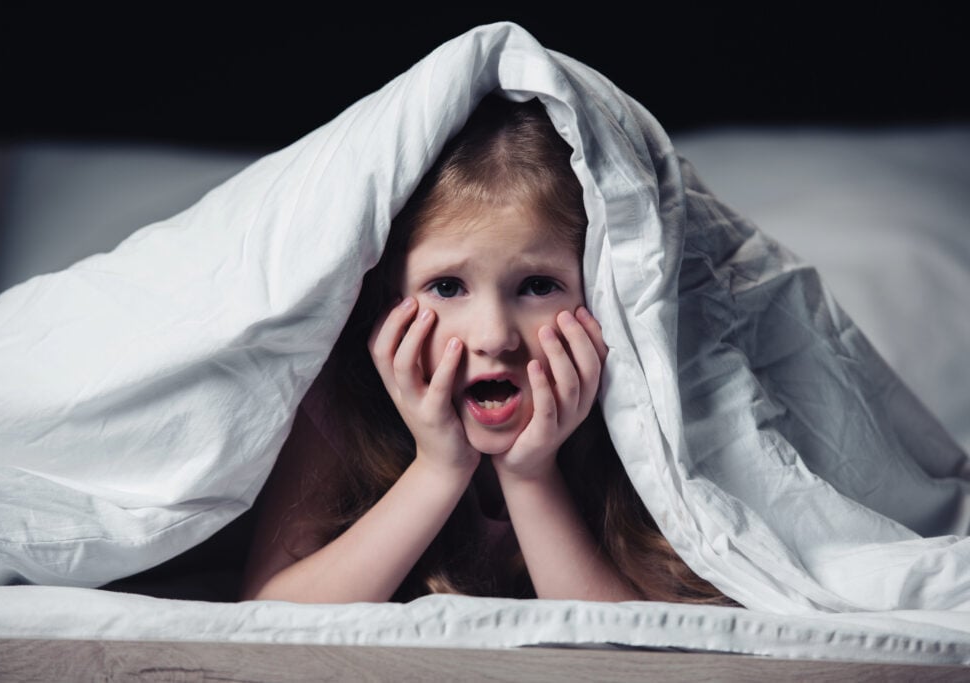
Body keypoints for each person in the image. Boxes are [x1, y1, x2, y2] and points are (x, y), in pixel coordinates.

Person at [240, 94, 733, 605]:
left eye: (538, 286)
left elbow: (635, 641)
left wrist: (530, 477)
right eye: (447, 287)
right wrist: (438, 469)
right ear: (388, 303)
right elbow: (269, 611)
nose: (495, 337)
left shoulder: (640, 419)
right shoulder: (342, 405)